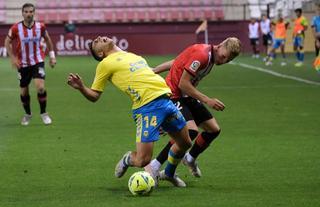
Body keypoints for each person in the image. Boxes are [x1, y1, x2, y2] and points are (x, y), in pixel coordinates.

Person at [67, 36, 192, 187]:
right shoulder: (105, 64)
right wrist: (81, 87)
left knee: (185, 142)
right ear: (100, 54)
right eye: (96, 42)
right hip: (147, 108)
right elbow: (94, 96)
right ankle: (128, 159)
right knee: (142, 160)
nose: (99, 38)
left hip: (166, 101)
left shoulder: (133, 56)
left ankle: (168, 173)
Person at [145, 37, 241, 186]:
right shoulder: (202, 55)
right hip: (174, 94)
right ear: (220, 45)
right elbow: (183, 83)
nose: (223, 61)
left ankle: (189, 159)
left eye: (227, 60)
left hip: (186, 95)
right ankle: (155, 166)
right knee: (190, 132)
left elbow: (178, 61)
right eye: (223, 57)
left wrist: (156, 70)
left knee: (213, 130)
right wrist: (207, 100)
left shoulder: (211, 57)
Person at [4, 3, 56, 126]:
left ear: (34, 13)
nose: (28, 14)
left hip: (38, 61)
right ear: (22, 13)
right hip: (22, 64)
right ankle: (28, 114)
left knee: (41, 87)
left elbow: (48, 39)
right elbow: (7, 41)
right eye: (26, 12)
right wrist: (12, 58)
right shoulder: (16, 28)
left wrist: (52, 56)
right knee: (24, 92)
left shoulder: (40, 27)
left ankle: (44, 113)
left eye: (31, 11)